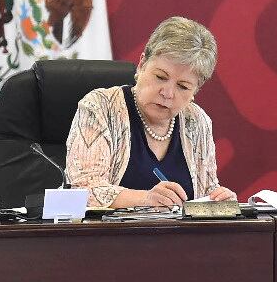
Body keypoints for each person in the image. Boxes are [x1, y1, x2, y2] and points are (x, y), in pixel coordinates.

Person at [64, 15, 237, 208]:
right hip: (110, 237)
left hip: (179, 238)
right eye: (161, 77)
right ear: (142, 64)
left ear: (195, 91)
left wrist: (218, 203)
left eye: (183, 86)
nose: (168, 93)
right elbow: (81, 190)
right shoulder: (101, 107)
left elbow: (205, 194)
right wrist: (145, 199)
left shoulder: (196, 121)